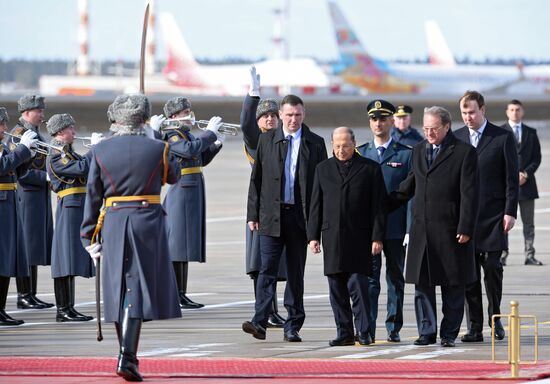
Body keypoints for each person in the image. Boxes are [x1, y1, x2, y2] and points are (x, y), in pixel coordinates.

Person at [80, 94, 182, 382]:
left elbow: (93, 195)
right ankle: (127, 356)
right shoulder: (156, 147)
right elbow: (173, 176)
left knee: (119, 288)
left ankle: (127, 353)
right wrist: (156, 139)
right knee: (136, 287)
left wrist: (88, 236)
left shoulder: (101, 150)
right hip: (146, 220)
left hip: (112, 221)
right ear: (144, 119)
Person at [389, 106, 479, 347]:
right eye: (426, 128)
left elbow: (469, 194)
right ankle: (426, 332)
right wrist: (382, 202)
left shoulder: (463, 152)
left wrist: (466, 226)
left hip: (451, 231)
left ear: (447, 127)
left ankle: (449, 333)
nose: (429, 133)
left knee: (452, 284)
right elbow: (410, 185)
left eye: (434, 129)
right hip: (422, 230)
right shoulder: (418, 150)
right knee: (422, 284)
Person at [243, 94, 327, 342]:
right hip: (271, 217)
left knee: (294, 273)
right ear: (280, 115)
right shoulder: (267, 140)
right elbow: (256, 180)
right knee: (266, 270)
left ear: (304, 114)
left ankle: (293, 325)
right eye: (289, 115)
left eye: (297, 115)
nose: (293, 120)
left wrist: (317, 228)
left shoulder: (315, 143)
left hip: (299, 219)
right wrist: (253, 214)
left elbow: (320, 187)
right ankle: (260, 321)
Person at [308, 126, 386, 346]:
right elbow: (316, 205)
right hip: (332, 238)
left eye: (346, 146)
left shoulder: (370, 169)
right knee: (336, 289)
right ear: (332, 145)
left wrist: (377, 237)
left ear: (354, 145)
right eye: (337, 145)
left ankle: (364, 331)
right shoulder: (323, 169)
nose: (341, 150)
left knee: (359, 287)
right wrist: (313, 236)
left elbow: (378, 207)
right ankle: (344, 332)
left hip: (360, 239)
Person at [454, 91, 519, 343]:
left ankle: (495, 316)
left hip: (493, 216)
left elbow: (511, 178)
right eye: (464, 113)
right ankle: (474, 326)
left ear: (483, 110)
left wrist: (510, 211)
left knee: (492, 268)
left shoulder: (502, 137)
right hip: (465, 217)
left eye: (472, 112)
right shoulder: (456, 138)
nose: (468, 117)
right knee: (469, 273)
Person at [152, 96, 224, 309]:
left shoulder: (185, 134)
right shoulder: (173, 135)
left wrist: (216, 144)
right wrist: (209, 134)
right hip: (182, 189)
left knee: (183, 246)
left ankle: (181, 293)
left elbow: (199, 159)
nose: (190, 116)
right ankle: (175, 293)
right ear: (174, 117)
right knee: (177, 245)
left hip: (192, 188)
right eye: (185, 113)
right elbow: (189, 150)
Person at [357, 99, 412, 343]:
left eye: (382, 118)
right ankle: (367, 327)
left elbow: (411, 195)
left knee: (395, 279)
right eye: (373, 119)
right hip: (368, 229)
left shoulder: (405, 154)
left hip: (395, 227)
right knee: (369, 280)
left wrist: (410, 228)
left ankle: (393, 327)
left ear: (392, 121)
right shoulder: (361, 153)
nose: (378, 123)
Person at [240, 65, 286, 327]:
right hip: (260, 209)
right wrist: (252, 96)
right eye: (264, 116)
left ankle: (272, 309)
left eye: (273, 115)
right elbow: (246, 125)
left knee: (276, 265)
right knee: (261, 265)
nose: (269, 119)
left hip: (281, 208)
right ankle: (264, 310)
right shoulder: (257, 142)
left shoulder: (283, 139)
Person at [46, 114, 101, 322]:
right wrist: (94, 149)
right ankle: (63, 309)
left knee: (70, 258)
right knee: (64, 258)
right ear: (60, 132)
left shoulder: (68, 152)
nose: (75, 133)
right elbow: (82, 168)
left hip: (77, 206)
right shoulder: (56, 155)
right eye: (71, 129)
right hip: (69, 208)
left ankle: (69, 307)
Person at [8, 94, 54, 309]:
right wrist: (44, 177)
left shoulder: (34, 133)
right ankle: (23, 295)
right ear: (26, 112)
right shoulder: (18, 135)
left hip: (38, 196)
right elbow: (19, 171)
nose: (42, 115)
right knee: (26, 245)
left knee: (33, 246)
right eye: (39, 111)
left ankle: (31, 293)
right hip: (26, 195)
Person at [0, 107, 37, 326]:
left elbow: (14, 172)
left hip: (8, 203)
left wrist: (27, 156)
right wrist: (22, 149)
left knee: (6, 259)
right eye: (2, 124)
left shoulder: (3, 145)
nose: (5, 127)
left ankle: (1, 309)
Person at [500, 100, 542, 266]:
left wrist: (525, 173)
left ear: (522, 112)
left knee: (528, 222)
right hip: (505, 186)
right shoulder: (501, 132)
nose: (515, 112)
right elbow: (497, 158)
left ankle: (529, 254)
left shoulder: (531, 132)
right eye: (512, 109)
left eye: (518, 110)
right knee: (504, 221)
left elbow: (536, 157)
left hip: (527, 184)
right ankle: (502, 254)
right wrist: (510, 175)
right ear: (507, 112)